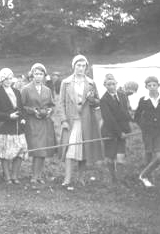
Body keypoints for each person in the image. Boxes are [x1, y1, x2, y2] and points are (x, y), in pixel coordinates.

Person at [60, 55, 102, 190]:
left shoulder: (91, 83)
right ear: (73, 66)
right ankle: (67, 179)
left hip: (86, 121)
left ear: (86, 68)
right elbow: (60, 103)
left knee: (84, 149)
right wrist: (63, 120)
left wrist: (91, 100)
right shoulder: (65, 82)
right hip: (71, 121)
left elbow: (97, 102)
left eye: (83, 66)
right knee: (69, 149)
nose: (81, 68)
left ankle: (81, 178)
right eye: (78, 65)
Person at [21, 63, 56, 184]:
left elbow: (52, 104)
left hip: (45, 122)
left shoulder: (47, 90)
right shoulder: (26, 89)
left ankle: (39, 175)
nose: (38, 76)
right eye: (36, 73)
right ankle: (34, 176)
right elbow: (21, 106)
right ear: (32, 75)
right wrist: (33, 111)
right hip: (33, 123)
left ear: (44, 76)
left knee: (44, 150)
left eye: (41, 74)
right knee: (37, 149)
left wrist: (49, 111)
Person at [0, 68, 27, 184]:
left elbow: (21, 108)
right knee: (4, 153)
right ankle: (7, 177)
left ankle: (15, 175)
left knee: (21, 151)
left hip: (17, 128)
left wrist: (22, 118)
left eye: (10, 78)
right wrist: (8, 116)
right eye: (5, 79)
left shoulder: (16, 91)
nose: (8, 81)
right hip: (4, 127)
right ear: (1, 80)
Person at [134, 76, 160, 187]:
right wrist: (143, 126)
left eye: (154, 85)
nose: (152, 87)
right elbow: (137, 116)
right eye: (149, 85)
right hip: (148, 132)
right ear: (146, 87)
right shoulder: (143, 100)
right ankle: (147, 179)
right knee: (148, 153)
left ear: (158, 85)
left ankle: (143, 175)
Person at [99, 74, 132, 184]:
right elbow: (109, 119)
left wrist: (130, 125)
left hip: (122, 131)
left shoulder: (122, 95)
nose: (112, 86)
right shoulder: (103, 100)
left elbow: (125, 112)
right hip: (109, 132)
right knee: (109, 158)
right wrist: (119, 132)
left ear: (116, 84)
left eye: (113, 84)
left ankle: (120, 180)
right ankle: (113, 178)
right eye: (109, 84)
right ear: (105, 85)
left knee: (120, 157)